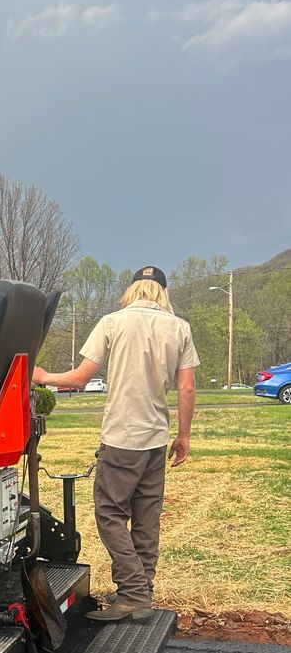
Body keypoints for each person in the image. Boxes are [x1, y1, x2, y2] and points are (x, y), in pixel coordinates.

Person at [32, 265, 199, 622]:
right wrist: (183, 435)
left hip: (122, 438)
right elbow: (186, 387)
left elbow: (79, 378)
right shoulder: (179, 327)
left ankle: (135, 595)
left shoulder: (112, 322)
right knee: (145, 520)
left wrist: (42, 375)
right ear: (161, 292)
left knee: (109, 515)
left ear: (133, 289)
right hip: (155, 440)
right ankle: (142, 592)